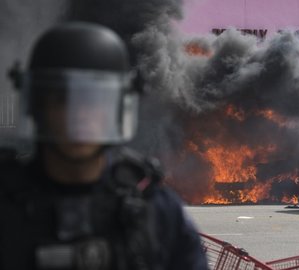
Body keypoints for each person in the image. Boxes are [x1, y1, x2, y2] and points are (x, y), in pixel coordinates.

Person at [0, 22, 208, 270]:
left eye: (95, 101)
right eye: (62, 100)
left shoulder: (158, 213)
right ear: (37, 108)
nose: (80, 117)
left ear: (118, 110)